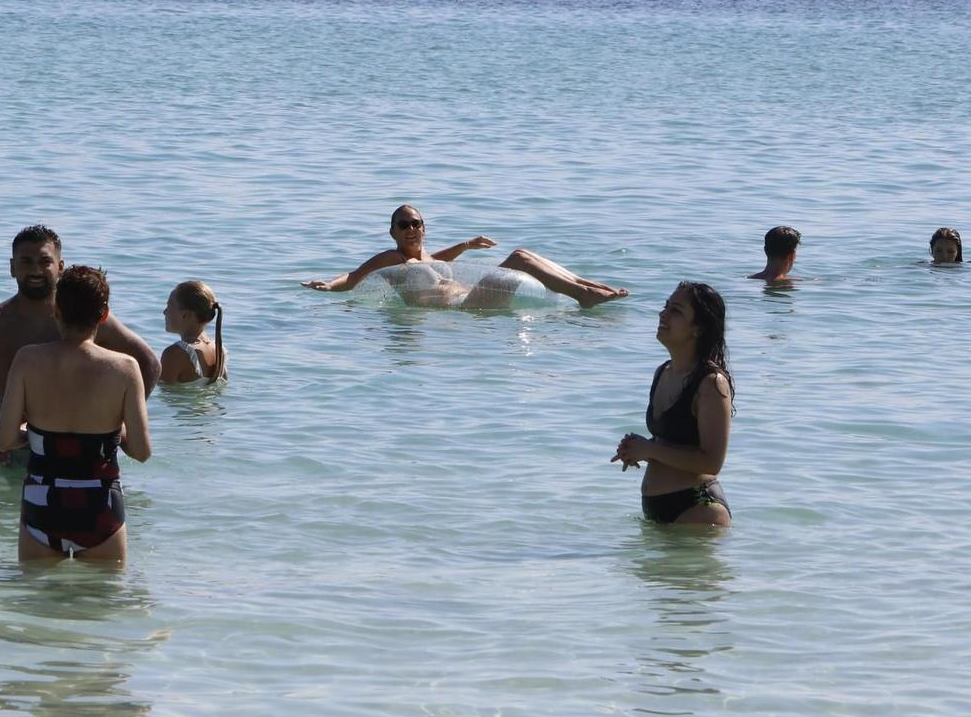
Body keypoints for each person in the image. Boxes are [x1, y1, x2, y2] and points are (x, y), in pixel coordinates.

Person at [0, 225, 161, 467]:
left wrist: (121, 427)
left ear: (60, 267)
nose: (35, 270)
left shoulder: (86, 318)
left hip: (91, 451)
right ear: (12, 268)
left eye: (44, 261)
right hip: (22, 456)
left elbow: (149, 363)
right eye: (25, 261)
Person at [0, 265, 151, 563]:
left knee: (32, 604)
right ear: (103, 314)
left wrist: (40, 438)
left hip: (43, 500)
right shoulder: (126, 369)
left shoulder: (28, 359)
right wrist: (110, 433)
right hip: (100, 504)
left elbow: (4, 440)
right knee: (102, 605)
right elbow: (142, 452)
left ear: (56, 310)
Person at [302, 204, 627, 308]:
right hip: (463, 307)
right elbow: (355, 276)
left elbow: (436, 262)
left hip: (472, 296)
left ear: (424, 228)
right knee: (519, 259)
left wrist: (465, 246)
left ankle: (588, 286)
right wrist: (330, 286)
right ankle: (584, 295)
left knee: (522, 253)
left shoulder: (425, 258)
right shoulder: (393, 258)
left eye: (416, 223)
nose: (411, 229)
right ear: (393, 233)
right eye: (403, 225)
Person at [612, 282, 733, 526]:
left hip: (698, 508)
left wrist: (650, 450)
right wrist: (637, 448)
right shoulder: (663, 372)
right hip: (659, 512)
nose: (663, 313)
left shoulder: (711, 383)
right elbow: (671, 443)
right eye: (666, 306)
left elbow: (712, 462)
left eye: (676, 310)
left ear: (697, 329)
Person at [159, 279, 226, 384]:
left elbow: (163, 393)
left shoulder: (175, 354)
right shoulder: (219, 350)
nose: (164, 312)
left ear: (186, 315)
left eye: (169, 306)